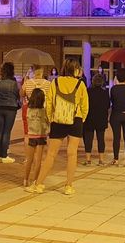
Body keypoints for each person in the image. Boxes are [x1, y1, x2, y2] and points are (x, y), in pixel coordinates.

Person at [27, 60, 89, 196]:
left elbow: (49, 103)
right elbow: (85, 106)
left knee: (51, 154)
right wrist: (81, 118)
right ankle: (68, 186)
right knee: (72, 153)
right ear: (75, 70)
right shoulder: (81, 84)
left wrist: (51, 118)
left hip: (58, 120)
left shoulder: (55, 83)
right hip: (75, 119)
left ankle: (38, 184)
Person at [0, 62, 21, 163]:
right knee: (6, 131)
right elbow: (16, 95)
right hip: (10, 108)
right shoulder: (13, 83)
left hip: (0, 107)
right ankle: (4, 155)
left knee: (0, 130)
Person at [23, 88, 48, 187]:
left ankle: (25, 179)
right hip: (41, 135)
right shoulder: (44, 110)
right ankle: (35, 180)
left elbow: (25, 121)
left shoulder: (27, 108)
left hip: (31, 135)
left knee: (29, 159)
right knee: (38, 160)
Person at [109, 71, 125, 166]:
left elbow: (112, 100)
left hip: (116, 114)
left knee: (117, 137)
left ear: (116, 78)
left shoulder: (113, 89)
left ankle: (116, 159)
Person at [83, 73, 109, 166]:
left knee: (88, 139)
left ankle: (88, 159)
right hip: (101, 118)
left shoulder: (87, 91)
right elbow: (108, 105)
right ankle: (101, 159)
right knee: (101, 139)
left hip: (89, 118)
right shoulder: (105, 93)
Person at [22, 67, 49, 142]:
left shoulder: (28, 82)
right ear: (42, 72)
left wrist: (25, 81)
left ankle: (28, 152)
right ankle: (39, 152)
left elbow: (21, 94)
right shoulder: (48, 83)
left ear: (33, 73)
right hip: (43, 109)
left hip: (29, 108)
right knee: (42, 133)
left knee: (28, 133)